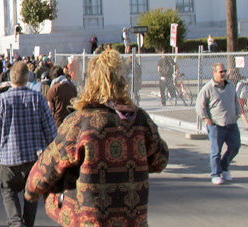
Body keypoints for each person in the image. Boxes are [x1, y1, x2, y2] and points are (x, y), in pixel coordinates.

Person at [25, 49, 169, 225]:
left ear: (90, 82)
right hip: (132, 219)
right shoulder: (140, 120)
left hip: (88, 219)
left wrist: (31, 192)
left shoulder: (79, 122)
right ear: (123, 82)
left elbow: (44, 170)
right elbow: (160, 160)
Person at [0, 61, 57, 227]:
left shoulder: (2, 100)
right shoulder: (38, 98)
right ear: (28, 77)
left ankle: (16, 221)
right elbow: (51, 131)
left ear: (11, 78)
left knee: (8, 191)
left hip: (8, 160)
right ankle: (27, 223)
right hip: (33, 160)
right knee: (31, 195)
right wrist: (52, 154)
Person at [196, 63, 242, 185]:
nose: (223, 74)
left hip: (231, 124)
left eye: (224, 71)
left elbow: (236, 101)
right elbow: (200, 107)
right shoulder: (208, 88)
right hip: (216, 125)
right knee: (216, 151)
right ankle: (215, 174)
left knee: (235, 146)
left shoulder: (230, 85)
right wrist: (208, 120)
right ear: (214, 73)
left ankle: (224, 167)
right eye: (220, 72)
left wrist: (237, 114)